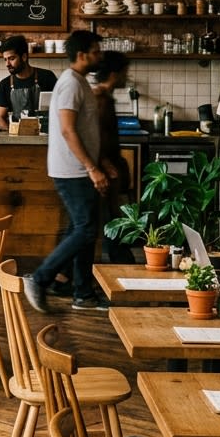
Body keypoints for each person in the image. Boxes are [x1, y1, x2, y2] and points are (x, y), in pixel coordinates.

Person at [22, 30, 109, 315]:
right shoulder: (71, 83)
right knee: (85, 229)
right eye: (96, 51)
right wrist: (92, 167)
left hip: (77, 168)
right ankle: (40, 278)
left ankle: (82, 293)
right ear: (82, 54)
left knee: (82, 229)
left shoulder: (79, 82)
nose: (100, 56)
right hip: (72, 170)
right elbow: (68, 130)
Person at [91, 51, 135, 264]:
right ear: (114, 74)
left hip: (108, 170)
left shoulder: (103, 97)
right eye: (125, 72)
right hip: (105, 172)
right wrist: (106, 165)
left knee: (111, 224)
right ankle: (125, 270)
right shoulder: (100, 99)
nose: (127, 77)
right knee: (111, 224)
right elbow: (96, 135)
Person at [0, 35, 58, 130]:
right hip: (16, 139)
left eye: (11, 59)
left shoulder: (47, 77)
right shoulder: (4, 84)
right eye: (5, 59)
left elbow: (60, 110)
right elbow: (1, 118)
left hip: (44, 137)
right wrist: (12, 134)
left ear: (24, 57)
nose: (7, 64)